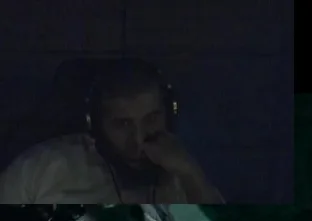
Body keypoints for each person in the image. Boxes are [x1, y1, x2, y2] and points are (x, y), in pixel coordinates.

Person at [0, 59, 223, 204]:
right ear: (95, 125)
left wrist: (191, 174)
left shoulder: (183, 176)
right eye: (123, 124)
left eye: (151, 119)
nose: (139, 140)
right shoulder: (38, 171)